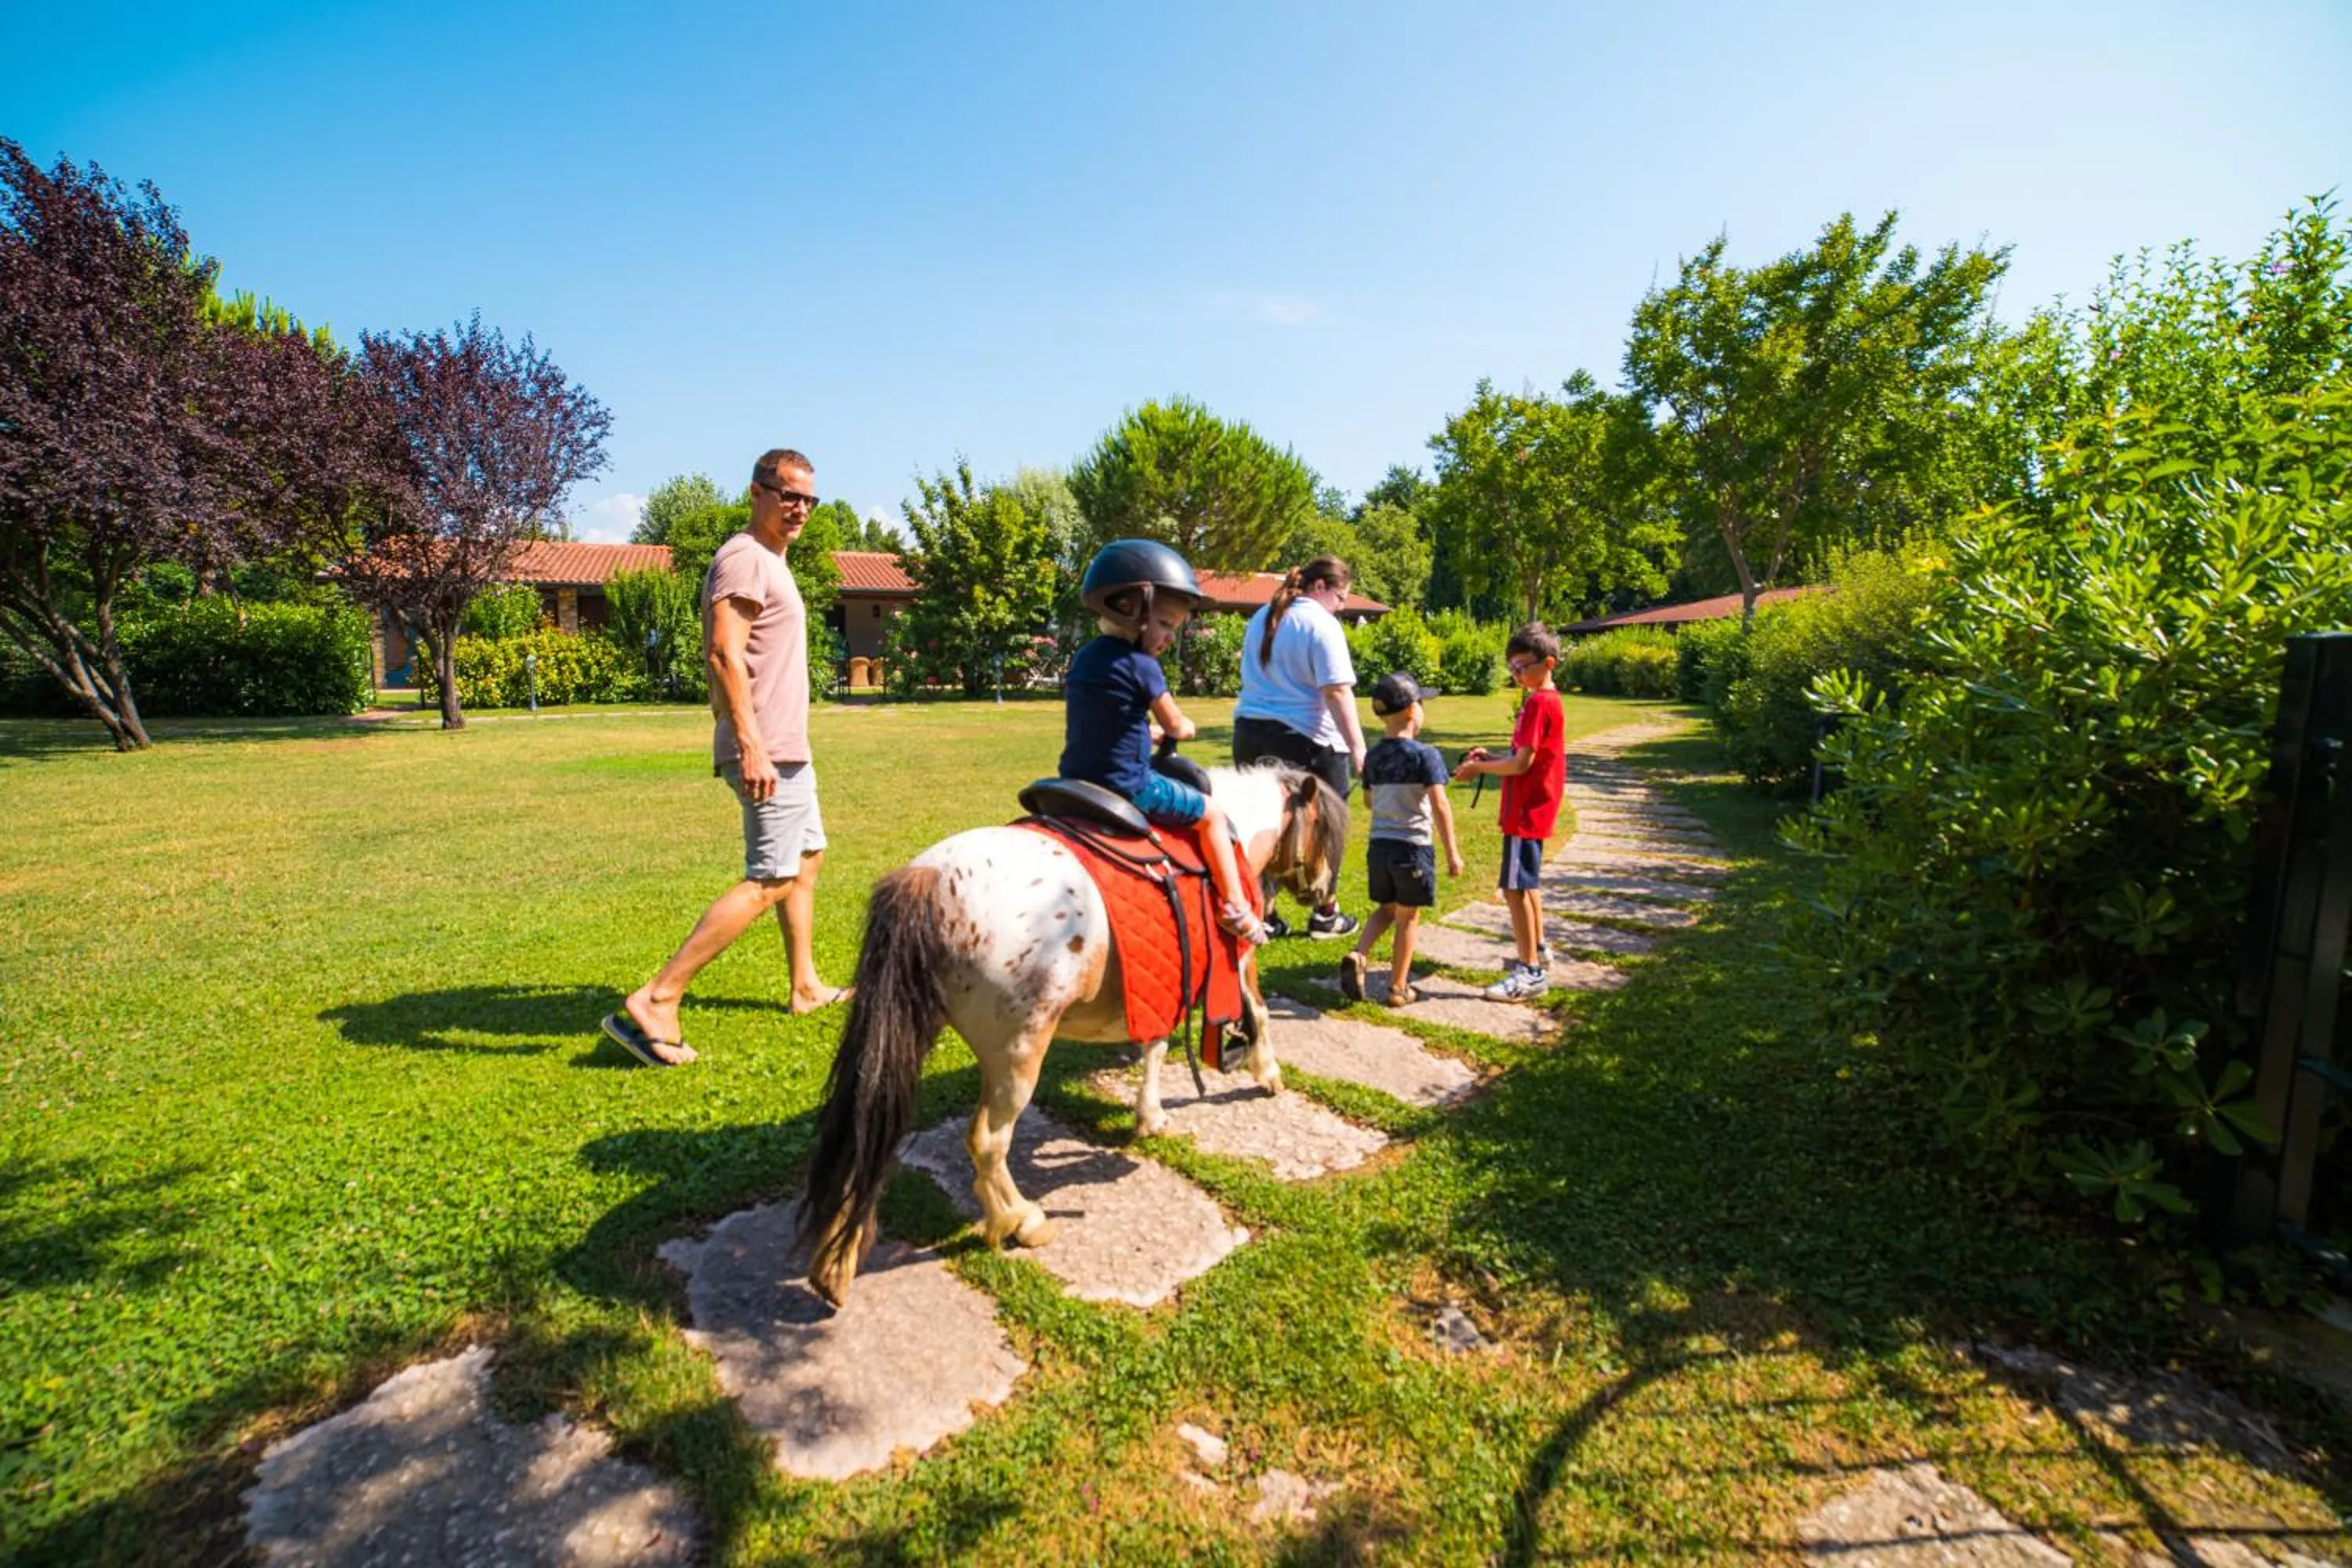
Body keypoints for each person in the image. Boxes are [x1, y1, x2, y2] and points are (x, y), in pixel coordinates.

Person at [602, 448, 849, 1067]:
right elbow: (722, 654)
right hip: (766, 746)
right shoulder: (743, 558)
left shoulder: (771, 561)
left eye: (808, 499)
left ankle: (804, 986)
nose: (799, 508)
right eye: (787, 494)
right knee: (770, 878)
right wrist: (751, 743)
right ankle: (658, 997)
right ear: (756, 492)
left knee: (807, 857)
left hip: (788, 745)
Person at [1062, 539, 1267, 943]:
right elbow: (1176, 724)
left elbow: (1108, 718)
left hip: (1075, 778)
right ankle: (1235, 908)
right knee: (1211, 814)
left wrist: (1144, 733)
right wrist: (1179, 729)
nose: (1170, 637)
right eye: (1167, 625)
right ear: (1131, 611)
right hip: (1127, 785)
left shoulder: (1085, 658)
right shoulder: (1143, 666)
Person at [1232, 555, 1367, 938]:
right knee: (1327, 827)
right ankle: (1327, 912)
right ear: (1320, 587)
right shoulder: (1320, 624)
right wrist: (1358, 749)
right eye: (1340, 597)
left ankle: (1265, 913)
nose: (1342, 606)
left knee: (1264, 826)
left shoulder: (1262, 617)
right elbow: (1337, 690)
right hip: (1306, 737)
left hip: (1250, 733)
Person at [1452, 622, 1566, 1000]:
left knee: (1514, 888)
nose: (1516, 674)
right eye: (1511, 667)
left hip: (1526, 810)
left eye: (1522, 666)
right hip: (1534, 807)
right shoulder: (1545, 700)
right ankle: (1539, 949)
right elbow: (1522, 760)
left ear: (1547, 663)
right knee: (1527, 885)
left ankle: (1529, 971)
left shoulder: (1538, 703)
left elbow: (1520, 768)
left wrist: (1479, 768)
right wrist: (1491, 758)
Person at [1340, 673, 1465, 1008]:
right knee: (1408, 918)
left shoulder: (1374, 758)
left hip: (1379, 847)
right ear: (1412, 711)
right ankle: (1398, 988)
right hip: (1412, 849)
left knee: (1386, 908)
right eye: (1422, 704)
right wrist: (1452, 852)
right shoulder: (1426, 756)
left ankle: (1359, 952)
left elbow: (1367, 801)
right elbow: (1440, 804)